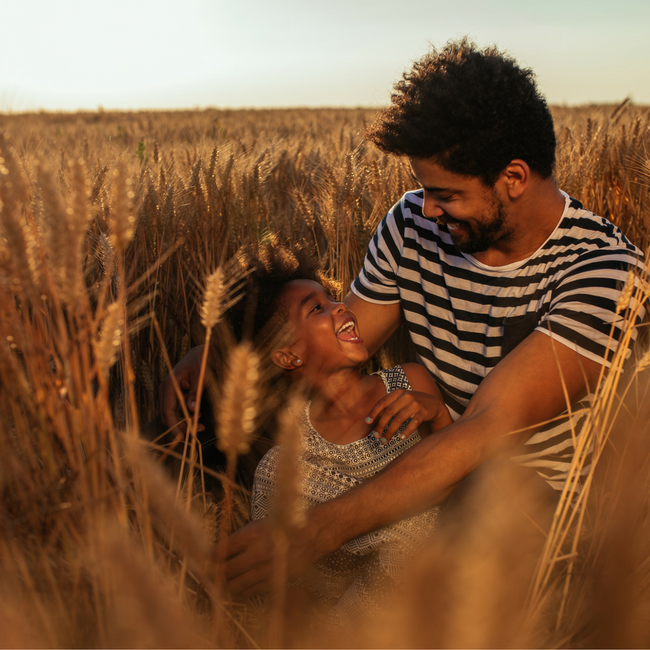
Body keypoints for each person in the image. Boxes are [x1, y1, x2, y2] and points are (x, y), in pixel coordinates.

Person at [159, 39, 646, 596]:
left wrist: (313, 534)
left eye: (446, 194)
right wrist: (220, 355)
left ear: (513, 177)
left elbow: (485, 428)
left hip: (527, 505)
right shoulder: (413, 222)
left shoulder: (606, 272)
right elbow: (345, 333)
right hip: (421, 462)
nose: (428, 208)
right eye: (423, 190)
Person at [219, 240, 452, 624]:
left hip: (437, 589)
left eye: (331, 298)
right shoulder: (288, 460)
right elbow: (285, 586)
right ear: (288, 354)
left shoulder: (408, 382)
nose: (340, 306)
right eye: (316, 309)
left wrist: (437, 412)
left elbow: (465, 487)